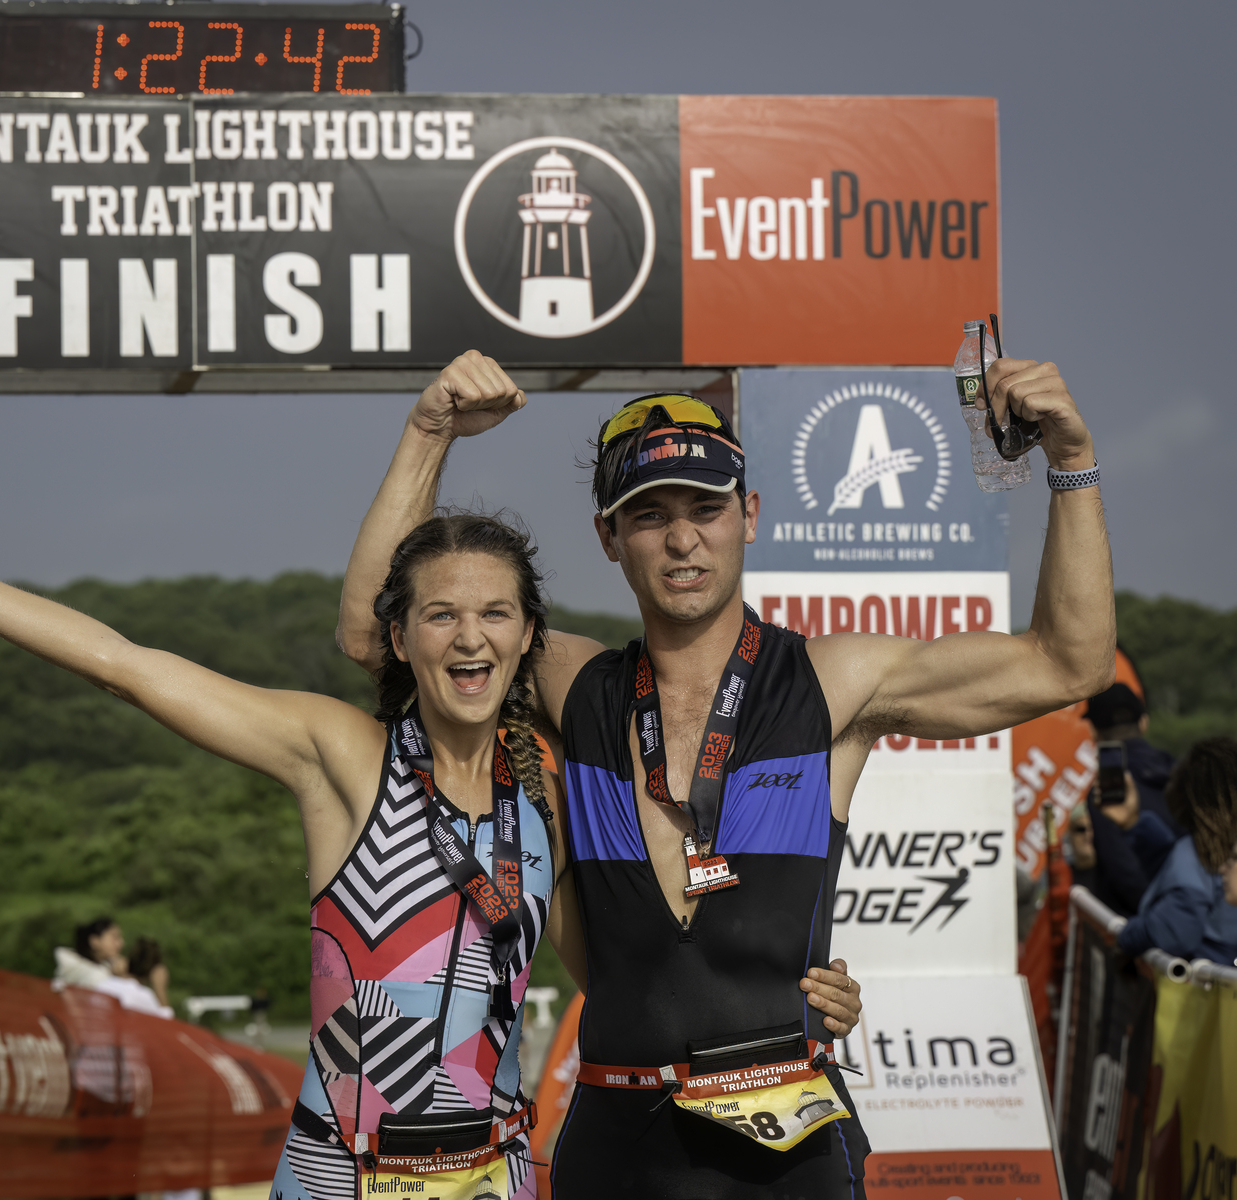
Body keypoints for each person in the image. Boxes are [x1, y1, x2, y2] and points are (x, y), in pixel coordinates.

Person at [0, 372, 862, 1200]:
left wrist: (797, 999)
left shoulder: (545, 794)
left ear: (530, 637)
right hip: (342, 1173)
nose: (470, 638)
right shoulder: (340, 755)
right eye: (440, 614)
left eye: (495, 614)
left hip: (499, 1177)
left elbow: (637, 975)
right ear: (401, 636)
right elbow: (126, 665)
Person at [339, 349, 1114, 1198]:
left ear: (748, 515)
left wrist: (1071, 462)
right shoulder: (574, 684)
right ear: (607, 535)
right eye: (648, 514)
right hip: (614, 1141)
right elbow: (381, 634)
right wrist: (429, 431)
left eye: (705, 508)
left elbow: (1065, 665)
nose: (681, 539)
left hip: (785, 1153)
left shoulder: (832, 682)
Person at [1117, 737, 1237, 966]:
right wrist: (1134, 825)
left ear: (1191, 795)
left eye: (1174, 780)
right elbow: (1186, 878)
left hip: (1210, 993)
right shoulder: (1214, 848)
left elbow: (1175, 929)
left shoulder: (1196, 854)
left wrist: (1124, 936)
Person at [1086, 682, 1180, 878]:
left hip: (1139, 907)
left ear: (1093, 731)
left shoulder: (1106, 787)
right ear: (1144, 722)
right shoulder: (1183, 771)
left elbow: (1122, 871)